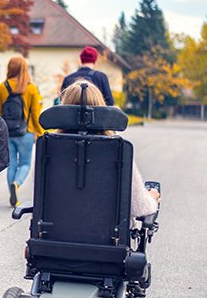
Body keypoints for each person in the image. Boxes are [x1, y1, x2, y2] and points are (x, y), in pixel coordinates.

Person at [58, 80, 160, 222]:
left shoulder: (48, 148)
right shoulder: (117, 150)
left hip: (54, 237)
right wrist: (152, 198)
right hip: (109, 239)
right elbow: (139, 207)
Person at [0, 56, 44, 207]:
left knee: (12, 165)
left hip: (8, 133)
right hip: (26, 133)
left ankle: (13, 197)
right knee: (25, 164)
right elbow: (36, 116)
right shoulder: (31, 88)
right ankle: (16, 184)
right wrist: (42, 134)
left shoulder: (3, 87)